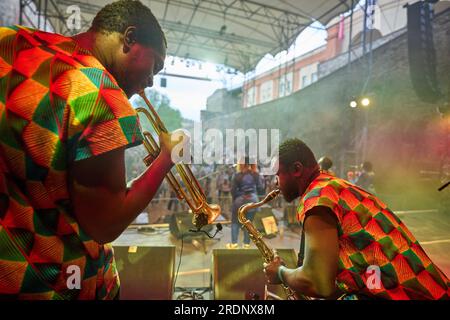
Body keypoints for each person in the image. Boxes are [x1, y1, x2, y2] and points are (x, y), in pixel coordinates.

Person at [0, 0, 184, 299]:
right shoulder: (102, 96)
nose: (150, 81)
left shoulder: (12, 42)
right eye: (155, 65)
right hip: (60, 283)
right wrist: (166, 158)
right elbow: (106, 224)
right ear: (130, 38)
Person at [263, 138, 449, 300]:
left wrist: (280, 272)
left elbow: (319, 284)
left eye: (278, 175)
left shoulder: (317, 199)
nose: (275, 182)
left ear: (296, 169)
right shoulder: (333, 186)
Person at [226, 158, 263, 249]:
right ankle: (246, 244)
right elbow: (261, 188)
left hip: (239, 202)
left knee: (235, 222)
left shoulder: (237, 175)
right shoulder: (256, 175)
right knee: (248, 223)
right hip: (253, 202)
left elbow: (233, 191)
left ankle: (234, 244)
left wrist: (237, 199)